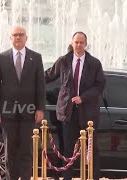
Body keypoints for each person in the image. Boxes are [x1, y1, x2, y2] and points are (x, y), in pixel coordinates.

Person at [45, 32, 106, 180]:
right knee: (68, 150)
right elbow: (48, 76)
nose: (78, 45)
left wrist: (83, 98)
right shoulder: (64, 61)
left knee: (91, 150)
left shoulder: (94, 63)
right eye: (76, 42)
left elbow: (100, 85)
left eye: (81, 42)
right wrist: (30, 78)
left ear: (86, 44)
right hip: (68, 112)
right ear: (72, 43)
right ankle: (67, 178)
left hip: (88, 114)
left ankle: (93, 177)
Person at [0, 25, 45, 180]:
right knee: (10, 151)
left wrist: (40, 108)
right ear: (10, 38)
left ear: (26, 38)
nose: (18, 37)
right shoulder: (2, 58)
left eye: (21, 35)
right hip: (7, 112)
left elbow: (40, 85)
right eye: (15, 35)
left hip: (29, 112)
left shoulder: (36, 57)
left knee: (26, 151)